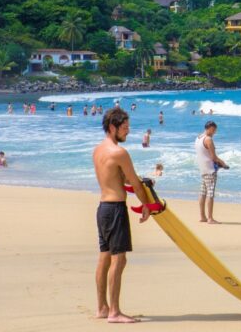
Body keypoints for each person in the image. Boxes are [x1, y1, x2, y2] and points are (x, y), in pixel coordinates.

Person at [92, 108, 152, 323]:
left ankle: (102, 308)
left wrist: (139, 182)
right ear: (112, 127)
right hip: (116, 209)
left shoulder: (98, 150)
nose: (128, 132)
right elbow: (133, 183)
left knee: (105, 257)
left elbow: (117, 178)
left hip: (102, 209)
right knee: (119, 260)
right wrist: (147, 205)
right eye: (125, 128)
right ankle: (114, 312)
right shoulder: (119, 152)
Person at [195, 121, 229, 224]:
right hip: (210, 170)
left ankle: (202, 216)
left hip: (202, 168)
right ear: (209, 128)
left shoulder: (198, 138)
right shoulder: (208, 139)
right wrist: (223, 164)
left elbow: (203, 154)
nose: (214, 133)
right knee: (210, 194)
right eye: (213, 130)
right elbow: (214, 157)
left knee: (202, 193)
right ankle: (210, 218)